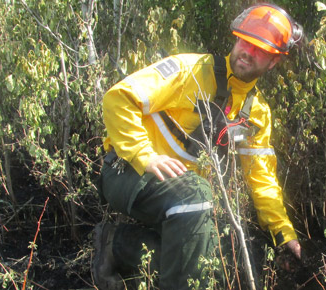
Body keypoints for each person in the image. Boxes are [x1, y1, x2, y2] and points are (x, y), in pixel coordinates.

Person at [92, 3, 304, 289]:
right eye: (245, 42)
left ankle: (115, 245)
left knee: (216, 261)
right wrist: (146, 155)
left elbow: (261, 177)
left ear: (274, 61)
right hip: (127, 171)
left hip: (180, 195)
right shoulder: (189, 70)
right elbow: (118, 98)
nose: (248, 52)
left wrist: (283, 233)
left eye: (261, 50)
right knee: (197, 198)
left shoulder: (257, 112)